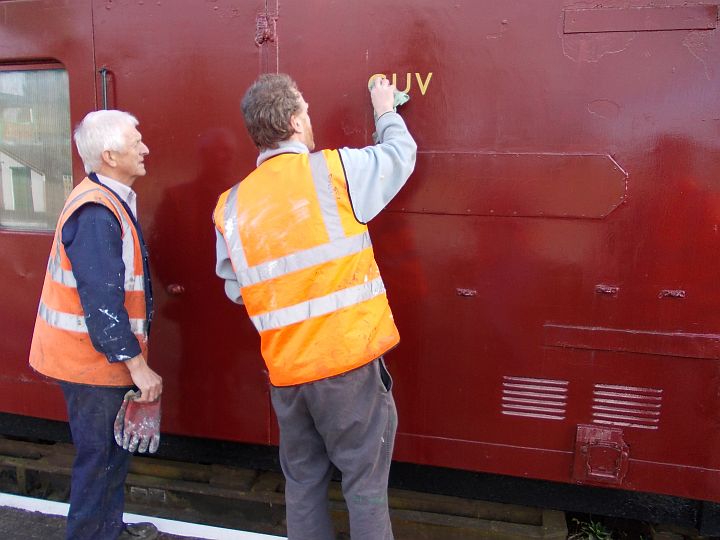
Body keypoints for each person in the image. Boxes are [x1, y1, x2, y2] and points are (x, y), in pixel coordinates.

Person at [213, 73, 417, 540]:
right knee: (364, 488)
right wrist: (385, 110)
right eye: (305, 109)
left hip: (287, 375)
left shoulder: (230, 206)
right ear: (292, 121)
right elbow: (400, 157)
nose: (310, 117)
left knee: (303, 483)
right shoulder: (333, 171)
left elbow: (235, 287)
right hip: (348, 368)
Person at [29, 110, 163, 540]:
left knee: (109, 457)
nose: (145, 148)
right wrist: (139, 367)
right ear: (109, 154)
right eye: (136, 141)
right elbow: (102, 305)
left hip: (93, 361)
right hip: (90, 365)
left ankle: (108, 528)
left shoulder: (105, 199)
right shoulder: (96, 213)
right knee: (99, 459)